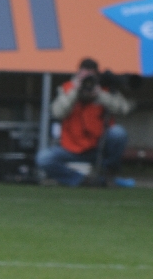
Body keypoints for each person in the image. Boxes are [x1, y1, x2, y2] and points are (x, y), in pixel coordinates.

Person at [36, 58, 133, 187]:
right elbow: (57, 113)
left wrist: (100, 95)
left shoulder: (103, 90)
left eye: (90, 77)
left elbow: (124, 109)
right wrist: (75, 91)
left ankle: (108, 174)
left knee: (118, 133)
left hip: (97, 148)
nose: (88, 82)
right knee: (44, 158)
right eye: (84, 77)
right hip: (70, 148)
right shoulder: (68, 88)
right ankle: (80, 180)